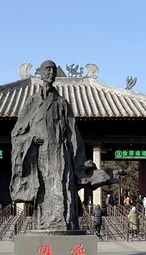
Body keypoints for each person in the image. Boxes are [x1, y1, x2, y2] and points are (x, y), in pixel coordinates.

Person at [9, 60, 111, 231]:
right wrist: (30, 139)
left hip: (60, 154)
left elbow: (73, 134)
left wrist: (80, 161)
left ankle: (64, 223)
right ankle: (45, 223)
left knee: (62, 188)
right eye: (47, 69)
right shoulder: (32, 102)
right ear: (40, 73)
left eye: (53, 69)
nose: (51, 72)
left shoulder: (62, 103)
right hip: (40, 155)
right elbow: (17, 133)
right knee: (43, 190)